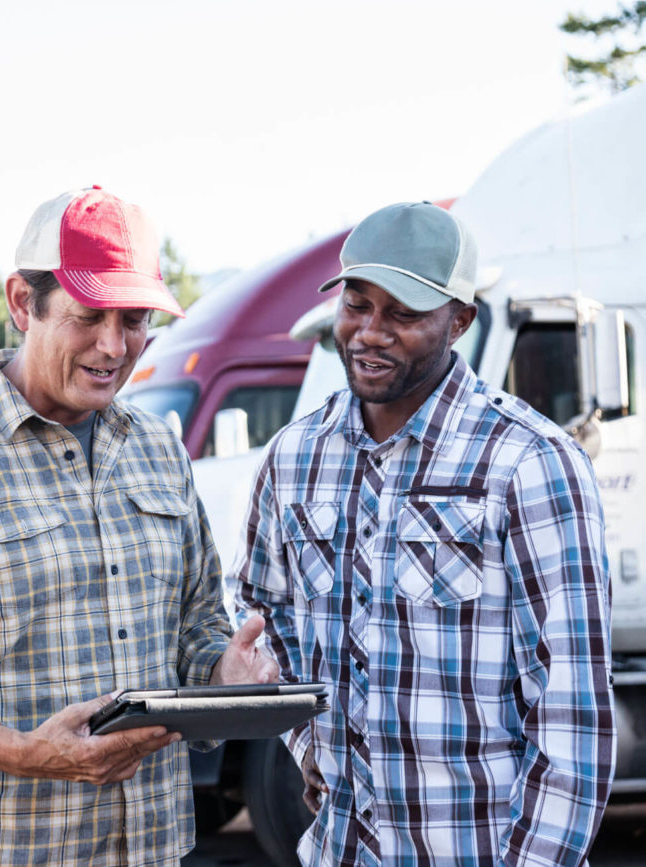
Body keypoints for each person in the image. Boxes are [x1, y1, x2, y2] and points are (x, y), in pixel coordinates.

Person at [0, 185, 277, 867]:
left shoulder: (159, 449)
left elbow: (196, 623)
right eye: (89, 316)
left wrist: (224, 671)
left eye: (133, 318)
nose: (114, 345)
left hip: (155, 847)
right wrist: (22, 752)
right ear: (23, 302)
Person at [226, 202, 615, 866]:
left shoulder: (529, 462)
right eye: (357, 303)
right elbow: (263, 613)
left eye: (403, 314)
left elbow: (571, 716)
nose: (370, 332)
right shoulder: (295, 457)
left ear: (460, 319)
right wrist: (307, 742)